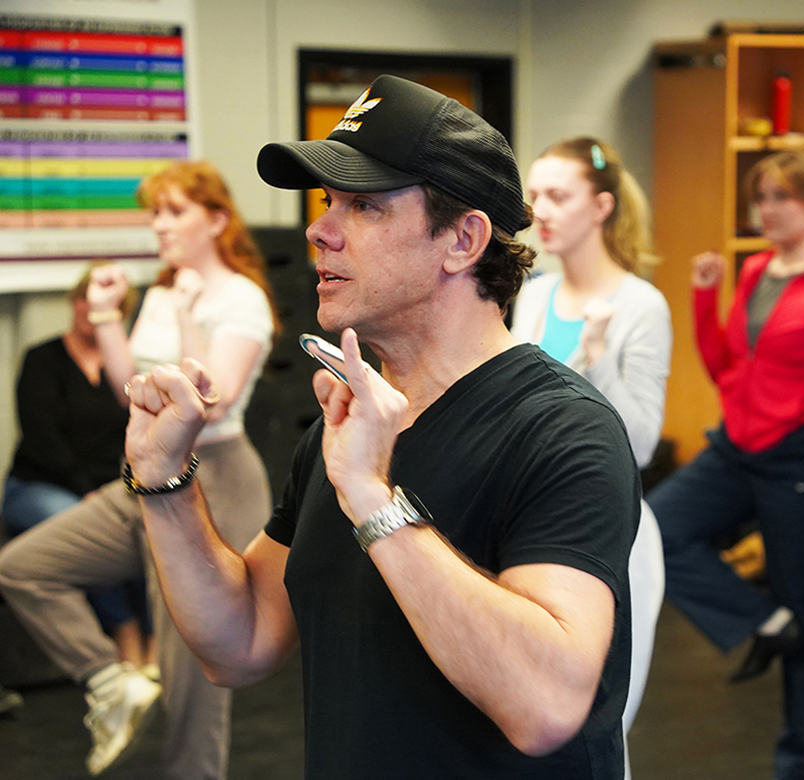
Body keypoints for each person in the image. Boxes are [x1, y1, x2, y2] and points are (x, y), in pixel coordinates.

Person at [117, 74, 638, 779]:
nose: (318, 229)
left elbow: (546, 705)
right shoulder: (343, 428)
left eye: (364, 206)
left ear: (462, 239)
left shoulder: (562, 429)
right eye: (329, 201)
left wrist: (371, 494)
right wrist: (166, 485)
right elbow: (238, 644)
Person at [0, 160, 277, 779]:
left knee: (193, 668)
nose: (160, 225)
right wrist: (104, 314)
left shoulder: (241, 296)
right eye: (155, 212)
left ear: (217, 220)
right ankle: (109, 680)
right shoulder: (163, 290)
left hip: (216, 475)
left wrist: (185, 314)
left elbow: (213, 400)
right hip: (145, 467)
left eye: (175, 211)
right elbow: (132, 392)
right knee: (22, 568)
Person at [647, 148, 804, 780]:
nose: (767, 210)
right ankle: (760, 619)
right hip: (740, 442)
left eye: (780, 197)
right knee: (654, 528)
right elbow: (726, 364)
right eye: (762, 197)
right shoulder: (758, 270)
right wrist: (704, 297)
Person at [512, 136, 670, 777]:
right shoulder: (532, 296)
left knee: (600, 723)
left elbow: (640, 443)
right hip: (529, 521)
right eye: (534, 195)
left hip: (613, 529)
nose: (540, 209)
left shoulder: (641, 305)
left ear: (601, 206)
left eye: (558, 195)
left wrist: (598, 357)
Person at [3, 266, 154, 670]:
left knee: (151, 527)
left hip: (107, 486)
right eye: (87, 297)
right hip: (40, 483)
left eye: (108, 304)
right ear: (74, 302)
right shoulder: (43, 359)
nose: (93, 308)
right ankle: (124, 633)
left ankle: (157, 642)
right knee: (77, 525)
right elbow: (42, 437)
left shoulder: (126, 368)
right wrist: (87, 490)